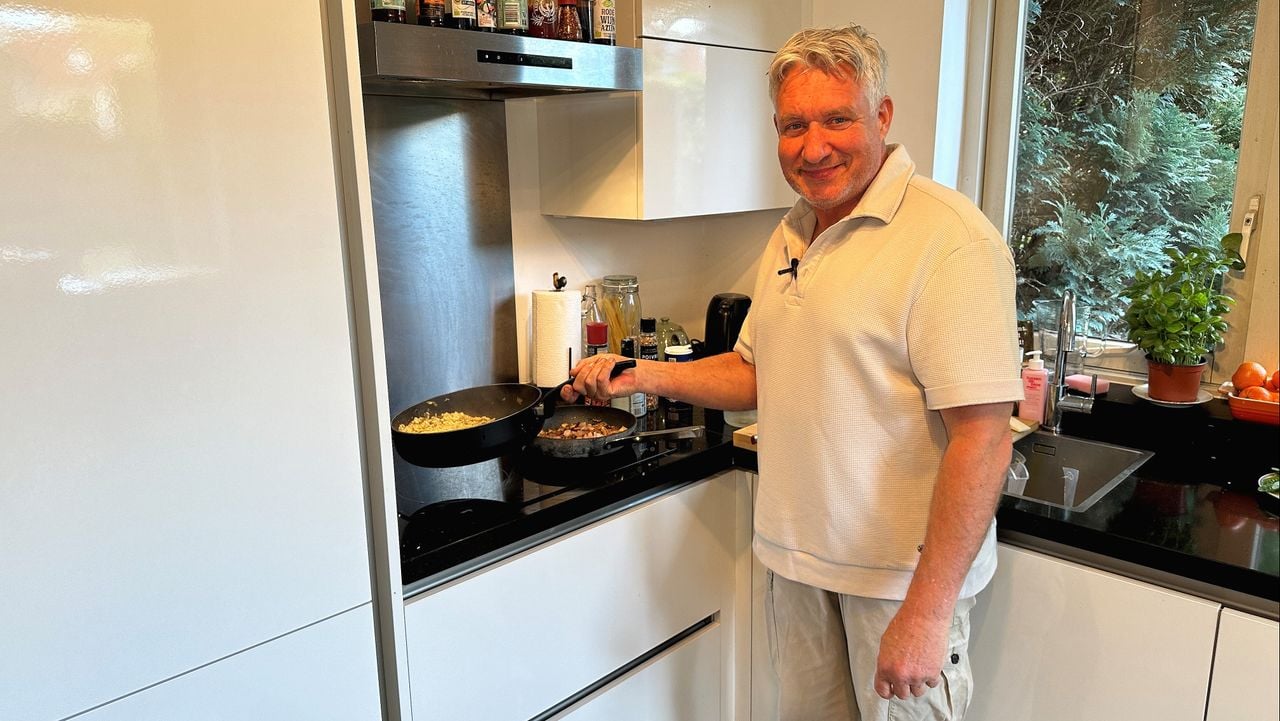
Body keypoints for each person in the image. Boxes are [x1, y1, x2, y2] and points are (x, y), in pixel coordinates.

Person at [563, 24, 1022, 721]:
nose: (814, 146)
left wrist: (927, 613)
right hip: (800, 567)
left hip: (896, 584)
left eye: (838, 118)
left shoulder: (949, 240)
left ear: (883, 115)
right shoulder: (794, 229)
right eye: (793, 125)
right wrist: (645, 375)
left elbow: (983, 438)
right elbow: (755, 373)